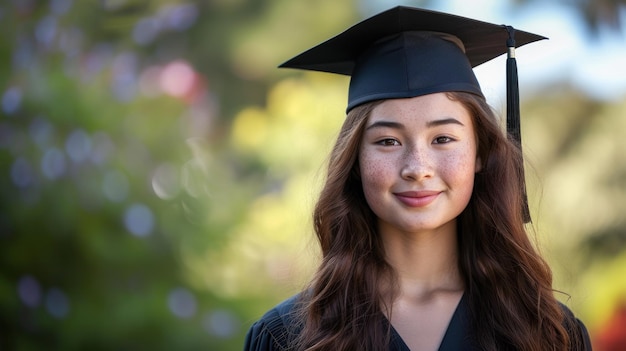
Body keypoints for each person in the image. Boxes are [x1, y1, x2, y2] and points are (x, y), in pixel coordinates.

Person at [244, 6, 592, 351]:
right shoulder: (288, 336)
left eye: (442, 139)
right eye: (388, 141)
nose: (417, 167)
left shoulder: (546, 331)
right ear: (355, 161)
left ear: (481, 154)